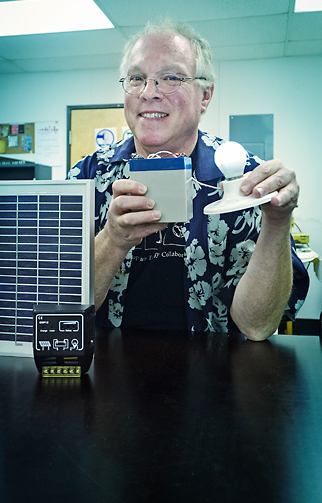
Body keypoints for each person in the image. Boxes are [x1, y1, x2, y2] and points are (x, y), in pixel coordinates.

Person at [68, 19, 309, 340]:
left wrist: (278, 221)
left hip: (219, 377)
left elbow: (257, 325)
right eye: (137, 78)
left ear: (205, 95)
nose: (148, 92)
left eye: (170, 77)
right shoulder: (86, 178)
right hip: (106, 376)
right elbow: (62, 306)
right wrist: (112, 240)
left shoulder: (246, 180)